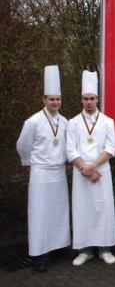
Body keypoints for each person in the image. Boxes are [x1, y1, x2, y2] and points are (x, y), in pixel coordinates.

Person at [16, 65, 70, 272]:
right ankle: (39, 254)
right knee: (39, 212)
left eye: (58, 99)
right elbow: (23, 145)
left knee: (59, 210)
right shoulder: (33, 121)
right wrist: (29, 163)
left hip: (58, 171)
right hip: (40, 171)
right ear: (44, 100)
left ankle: (59, 245)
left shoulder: (64, 121)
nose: (55, 102)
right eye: (51, 99)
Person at [66, 70, 115, 265]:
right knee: (82, 209)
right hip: (81, 174)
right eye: (86, 99)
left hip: (101, 171)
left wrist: (92, 167)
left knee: (102, 208)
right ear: (81, 100)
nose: (89, 102)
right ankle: (84, 250)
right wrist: (84, 169)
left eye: (92, 98)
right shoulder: (73, 123)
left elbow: (110, 148)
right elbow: (70, 149)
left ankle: (104, 248)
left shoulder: (107, 122)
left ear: (97, 99)